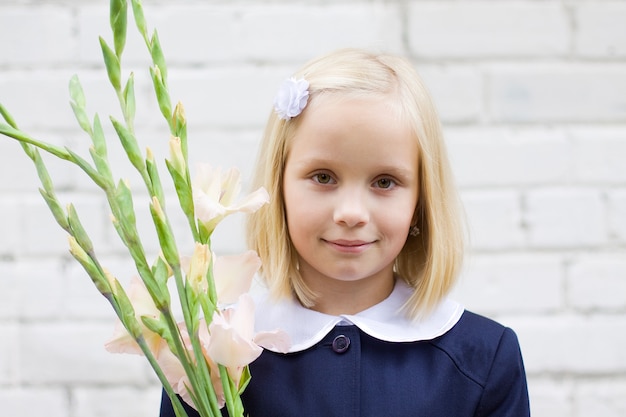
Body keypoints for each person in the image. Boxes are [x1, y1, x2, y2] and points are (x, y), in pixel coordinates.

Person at [159, 48, 530, 417]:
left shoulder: (484, 359)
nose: (351, 213)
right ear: (279, 185)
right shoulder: (208, 354)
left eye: (385, 181)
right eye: (323, 177)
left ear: (421, 200)